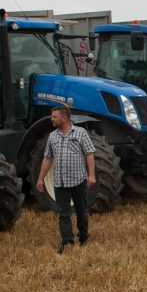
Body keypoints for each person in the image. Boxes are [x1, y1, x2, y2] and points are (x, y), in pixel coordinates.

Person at [36, 106, 96, 253]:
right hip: (60, 182)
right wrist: (40, 179)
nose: (52, 119)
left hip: (78, 180)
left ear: (64, 118)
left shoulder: (80, 133)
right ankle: (67, 242)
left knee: (81, 211)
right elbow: (48, 158)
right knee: (63, 214)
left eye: (54, 117)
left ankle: (83, 238)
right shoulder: (52, 136)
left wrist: (91, 175)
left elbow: (89, 154)